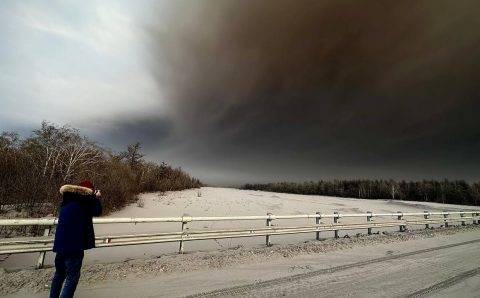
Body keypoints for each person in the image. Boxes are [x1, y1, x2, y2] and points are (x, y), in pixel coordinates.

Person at [50, 180, 102, 298]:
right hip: (74, 246)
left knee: (59, 274)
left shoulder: (66, 200)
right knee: (72, 278)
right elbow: (98, 211)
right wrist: (96, 197)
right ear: (88, 192)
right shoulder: (85, 201)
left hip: (60, 245)